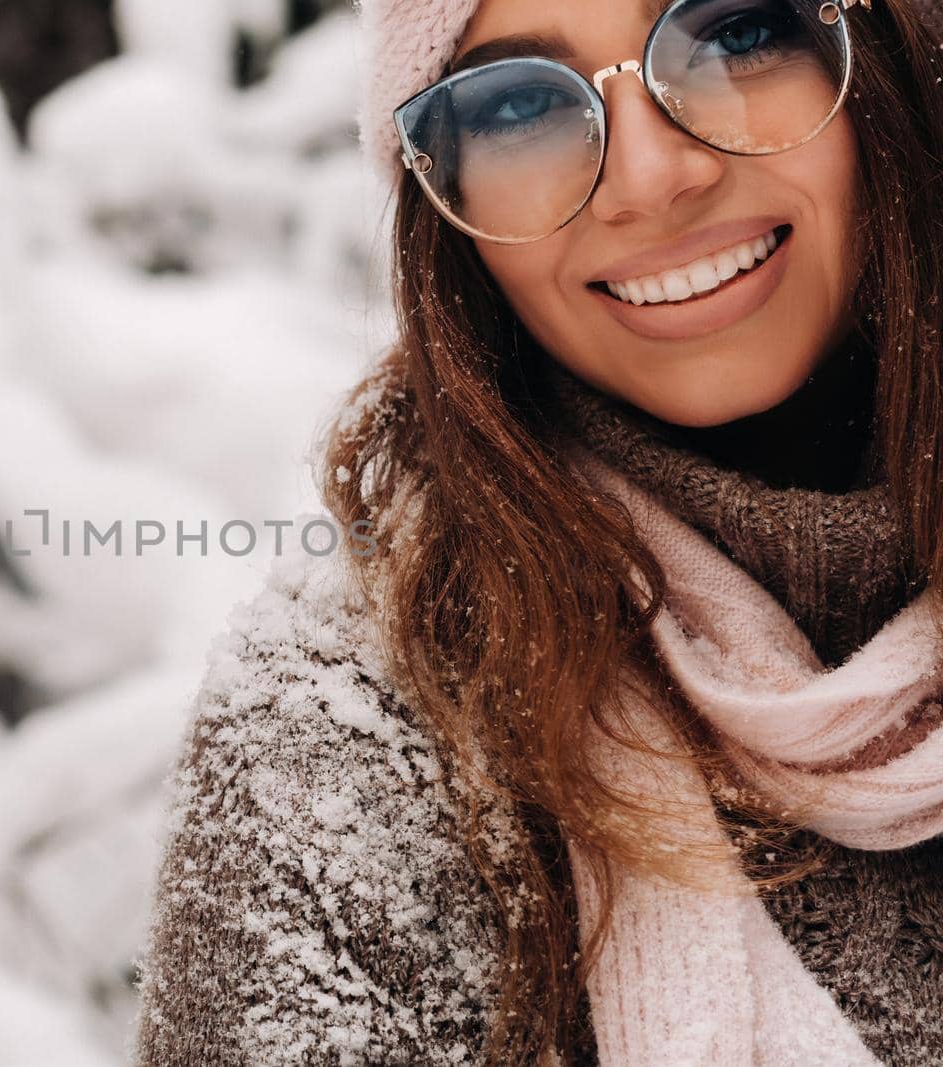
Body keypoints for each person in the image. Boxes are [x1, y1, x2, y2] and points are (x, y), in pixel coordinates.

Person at [128, 0, 943, 1063]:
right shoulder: (343, 757)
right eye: (518, 106)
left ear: (887, 53)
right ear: (443, 200)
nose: (653, 178)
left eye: (735, 34)